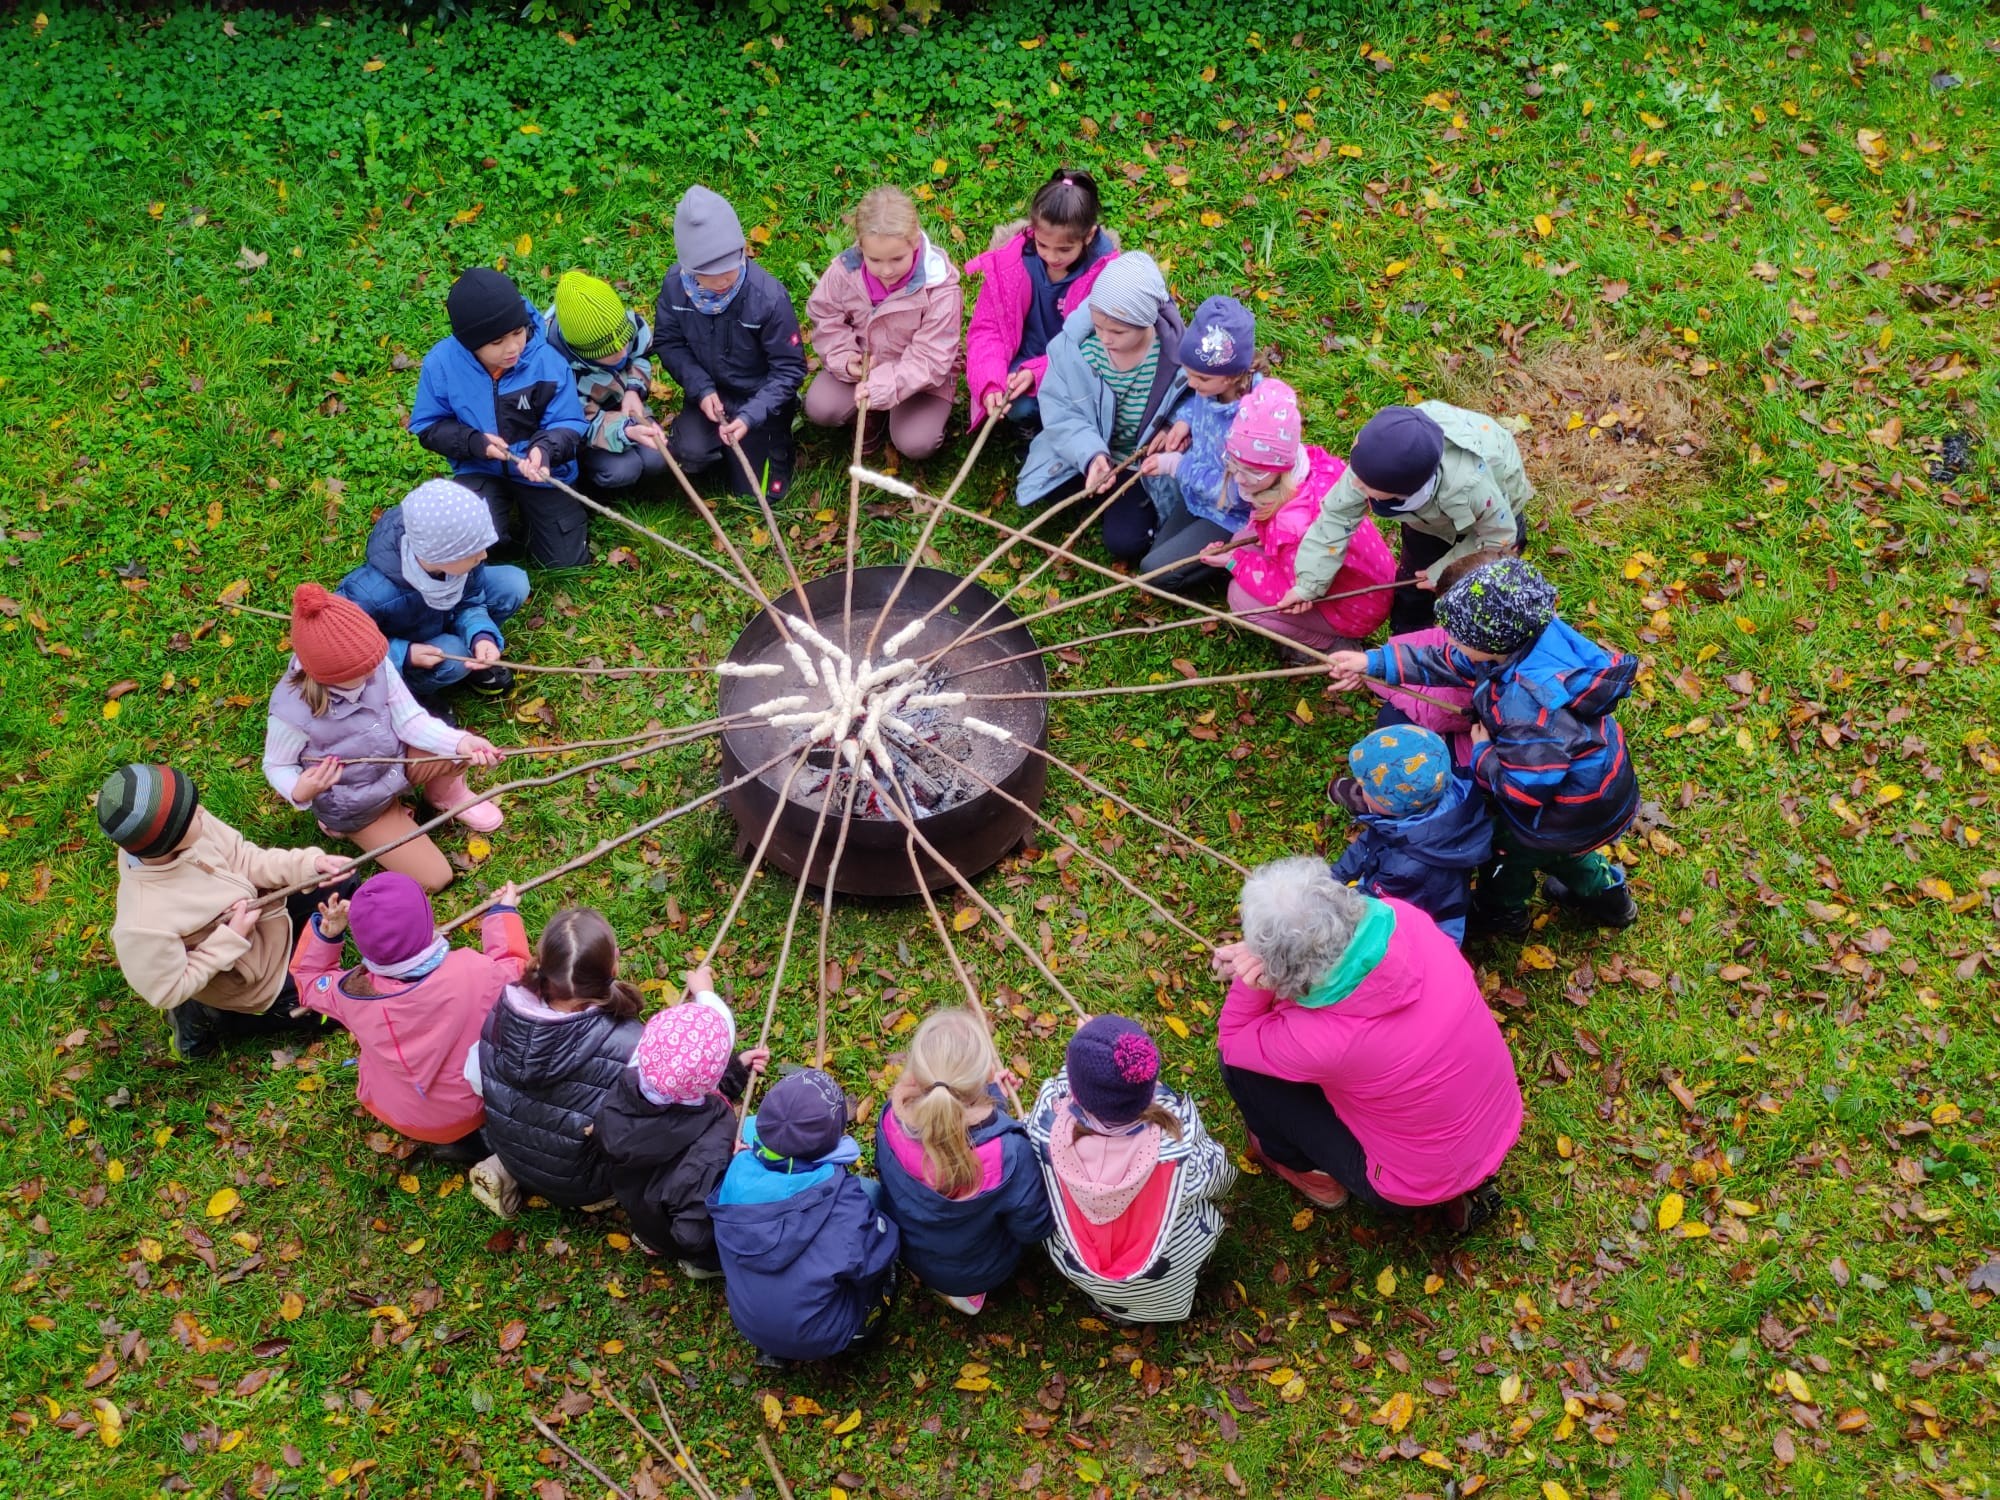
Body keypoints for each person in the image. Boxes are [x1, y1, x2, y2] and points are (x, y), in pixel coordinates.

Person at [1327, 557, 1641, 933]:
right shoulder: (1533, 638)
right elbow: (1444, 661)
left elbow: (1526, 790)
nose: (1450, 641)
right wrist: (1372, 662)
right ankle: (1612, 899)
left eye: (1457, 636)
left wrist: (1484, 754)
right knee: (1570, 855)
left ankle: (1503, 913)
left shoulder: (1526, 706)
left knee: (1507, 857)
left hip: (1560, 813)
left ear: (1488, 642)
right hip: (1600, 791)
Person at [1212, 857, 1520, 1230]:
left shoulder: (1320, 1043)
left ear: (1281, 967)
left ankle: (1310, 1173)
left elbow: (1234, 1040)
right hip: (1498, 1122)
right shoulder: (1405, 919)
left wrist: (1252, 980)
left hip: (1412, 1183)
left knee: (1241, 1069)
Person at [262, 584, 504, 896]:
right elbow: (276, 764)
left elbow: (410, 720)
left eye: (373, 664)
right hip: (357, 803)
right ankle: (346, 828)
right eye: (360, 673)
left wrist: (460, 744)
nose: (372, 674)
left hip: (394, 761)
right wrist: (300, 789)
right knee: (436, 877)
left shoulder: (373, 662)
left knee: (457, 748)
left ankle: (445, 796)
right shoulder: (291, 713)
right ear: (326, 676)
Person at [102, 764, 349, 1060]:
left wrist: (306, 868)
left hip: (267, 920)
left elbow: (244, 858)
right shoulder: (144, 921)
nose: (201, 812)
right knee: (335, 1006)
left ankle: (295, 956)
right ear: (169, 840)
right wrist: (230, 938)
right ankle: (210, 1016)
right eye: (191, 813)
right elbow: (167, 989)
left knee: (342, 879)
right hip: (249, 980)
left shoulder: (187, 824)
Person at [288, 873, 528, 1160]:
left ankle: (455, 1142)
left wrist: (328, 935)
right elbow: (514, 968)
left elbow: (310, 979)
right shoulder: (472, 971)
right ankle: (477, 1141)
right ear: (427, 922)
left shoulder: (350, 995)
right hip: (472, 1108)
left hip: (397, 1113)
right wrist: (503, 912)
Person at [1024, 1016, 1235, 1324]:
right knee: (1197, 1215)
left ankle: (1112, 1307)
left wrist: (1086, 1061)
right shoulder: (1177, 1142)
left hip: (1082, 1268)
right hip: (1168, 1276)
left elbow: (1058, 1093)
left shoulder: (1045, 1126)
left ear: (1075, 1089)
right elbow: (1218, 1177)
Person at [1281, 402, 1531, 635]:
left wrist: (1443, 572)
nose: (1354, 482)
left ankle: (1474, 635)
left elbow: (1499, 536)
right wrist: (1309, 585)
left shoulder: (1471, 486)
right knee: (1414, 581)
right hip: (1430, 521)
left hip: (1496, 513)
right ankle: (1409, 634)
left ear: (1403, 491)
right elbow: (1336, 516)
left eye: (1365, 482)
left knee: (1481, 584)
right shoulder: (1376, 463)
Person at [710, 1068, 901, 1366]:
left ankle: (773, 1348)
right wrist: (888, 1230)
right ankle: (859, 1335)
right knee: (872, 1195)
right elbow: (873, 1259)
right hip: (821, 1334)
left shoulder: (734, 1173)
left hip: (749, 1323)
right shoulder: (843, 1205)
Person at [464, 906, 645, 1217]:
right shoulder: (633, 1043)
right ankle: (585, 1199)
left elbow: (474, 1073)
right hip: (583, 1183)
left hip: (510, 1149)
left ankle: (506, 1170)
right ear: (614, 965)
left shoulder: (505, 1011)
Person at [591, 967, 768, 1281]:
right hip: (679, 1234)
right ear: (707, 1083)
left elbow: (685, 1104)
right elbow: (693, 1230)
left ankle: (650, 1239)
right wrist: (733, 1167)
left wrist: (735, 1072)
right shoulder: (714, 1142)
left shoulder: (619, 1099)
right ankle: (702, 1264)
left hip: (643, 1211)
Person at [408, 267, 591, 569]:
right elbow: (429, 426)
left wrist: (544, 449)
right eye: (496, 343)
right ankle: (499, 528)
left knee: (566, 561)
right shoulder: (442, 364)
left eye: (517, 333)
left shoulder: (546, 362)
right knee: (466, 550)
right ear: (470, 343)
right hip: (481, 470)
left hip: (543, 475)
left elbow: (569, 423)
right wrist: (474, 443)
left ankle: (532, 523)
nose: (512, 348)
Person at [875, 1009, 1054, 1315]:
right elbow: (1033, 1228)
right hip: (979, 1271)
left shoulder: (892, 1118)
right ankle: (967, 1292)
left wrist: (993, 1096)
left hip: (907, 1250)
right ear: (980, 1078)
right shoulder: (1009, 1153)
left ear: (918, 1074)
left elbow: (948, 1127)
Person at [1201, 380, 1394, 655]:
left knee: (1240, 598)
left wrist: (1235, 562)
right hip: (1368, 581)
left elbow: (1290, 591)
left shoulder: (1294, 525)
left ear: (1280, 469)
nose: (1240, 478)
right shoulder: (1309, 467)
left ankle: (1330, 644)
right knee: (1241, 540)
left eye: (1253, 472)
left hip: (1354, 607)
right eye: (1233, 465)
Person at [1016, 252, 1187, 559]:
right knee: (1049, 491)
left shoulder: (1174, 355)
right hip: (1088, 447)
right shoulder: (1077, 350)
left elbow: (1196, 399)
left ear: (1146, 321)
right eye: (1098, 326)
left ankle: (1120, 503)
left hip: (1137, 465)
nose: (1106, 338)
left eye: (1118, 332)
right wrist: (1092, 455)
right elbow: (1062, 411)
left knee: (1126, 544)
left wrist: (1172, 425)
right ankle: (1093, 478)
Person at [653, 184, 808, 501]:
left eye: (731, 265)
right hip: (710, 396)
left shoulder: (768, 297)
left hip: (759, 399)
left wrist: (752, 415)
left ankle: (770, 436)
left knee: (763, 494)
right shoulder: (674, 288)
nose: (725, 279)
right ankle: (717, 449)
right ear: (689, 269)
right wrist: (701, 389)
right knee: (688, 455)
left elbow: (790, 369)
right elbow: (668, 343)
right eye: (711, 273)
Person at [334, 478, 529, 705]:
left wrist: (480, 635)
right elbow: (342, 644)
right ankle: (414, 693)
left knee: (512, 583)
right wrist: (405, 654)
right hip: (411, 650)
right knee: (454, 653)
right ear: (440, 556)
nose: (484, 556)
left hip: (442, 619)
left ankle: (471, 658)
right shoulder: (372, 592)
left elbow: (471, 601)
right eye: (474, 552)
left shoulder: (464, 564)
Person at [804, 185, 963, 462]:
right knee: (820, 406)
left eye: (897, 259)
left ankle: (900, 412)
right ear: (860, 246)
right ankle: (871, 417)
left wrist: (887, 385)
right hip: (864, 367)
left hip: (919, 380)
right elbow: (825, 315)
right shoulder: (844, 271)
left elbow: (931, 357)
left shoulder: (940, 288)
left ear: (914, 242)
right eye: (875, 259)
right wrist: (845, 357)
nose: (886, 271)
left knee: (916, 441)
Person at [965, 169, 1119, 439]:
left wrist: (1039, 372)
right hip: (1021, 362)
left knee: (1065, 399)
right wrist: (990, 382)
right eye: (1042, 245)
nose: (1051, 257)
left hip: (1076, 370)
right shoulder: (1010, 265)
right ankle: (1032, 427)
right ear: (1032, 231)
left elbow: (1098, 346)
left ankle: (1065, 430)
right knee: (1019, 403)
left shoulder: (1105, 278)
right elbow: (987, 330)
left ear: (1089, 235)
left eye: (1064, 250)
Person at [1129, 295, 1263, 596]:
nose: (1192, 384)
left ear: (1232, 377)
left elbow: (1236, 495)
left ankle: (1241, 560)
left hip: (1234, 515)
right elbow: (1199, 404)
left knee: (1155, 574)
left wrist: (1174, 466)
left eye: (1200, 378)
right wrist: (1185, 420)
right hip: (1198, 499)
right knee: (1152, 556)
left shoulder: (1251, 423)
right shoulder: (1213, 389)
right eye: (1189, 374)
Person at [1327, 727, 1493, 945]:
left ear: (1392, 804)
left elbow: (1372, 907)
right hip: (1408, 889)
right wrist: (1331, 877)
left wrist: (1332, 905)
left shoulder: (1406, 867)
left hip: (1428, 928)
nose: (1359, 788)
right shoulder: (1425, 806)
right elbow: (1370, 842)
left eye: (1365, 787)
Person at [544, 269, 669, 493]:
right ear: (583, 352)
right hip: (590, 429)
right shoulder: (559, 371)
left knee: (657, 458)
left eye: (624, 343)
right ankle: (592, 482)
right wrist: (626, 431)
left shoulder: (623, 325)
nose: (622, 353)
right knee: (623, 468)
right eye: (609, 353)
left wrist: (634, 389)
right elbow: (585, 422)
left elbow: (641, 354)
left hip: (628, 405)